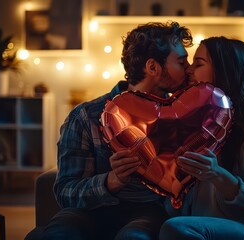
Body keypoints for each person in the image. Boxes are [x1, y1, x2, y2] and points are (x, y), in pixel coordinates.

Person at [41, 21, 193, 240]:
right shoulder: (87, 116)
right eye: (181, 61)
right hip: (87, 212)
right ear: (153, 68)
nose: (188, 68)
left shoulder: (185, 118)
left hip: (146, 213)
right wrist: (111, 181)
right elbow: (65, 191)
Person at [159, 37, 244, 240]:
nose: (189, 70)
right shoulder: (199, 120)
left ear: (226, 70)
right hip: (201, 224)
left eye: (198, 64)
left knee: (176, 229)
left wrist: (216, 174)